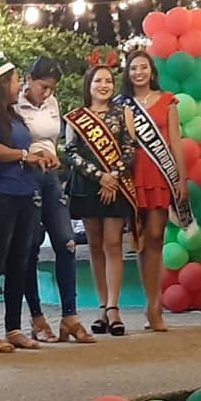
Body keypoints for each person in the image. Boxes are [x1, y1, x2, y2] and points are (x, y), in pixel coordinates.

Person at [0, 53, 51, 352]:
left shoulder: (12, 116)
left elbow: (23, 149)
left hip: (23, 195)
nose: (20, 86)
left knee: (20, 262)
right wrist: (24, 156)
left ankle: (14, 328)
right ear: (2, 83)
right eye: (16, 80)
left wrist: (41, 155)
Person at [15, 57, 88, 343]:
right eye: (42, 87)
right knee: (30, 246)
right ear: (28, 79)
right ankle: (36, 316)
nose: (47, 93)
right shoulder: (14, 103)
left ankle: (70, 316)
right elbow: (13, 141)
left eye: (51, 88)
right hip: (25, 175)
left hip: (50, 177)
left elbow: (51, 138)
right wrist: (35, 155)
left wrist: (52, 155)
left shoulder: (52, 102)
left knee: (66, 241)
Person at [116, 50, 189, 332]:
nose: (139, 72)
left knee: (156, 236)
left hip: (159, 173)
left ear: (152, 71)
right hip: (133, 174)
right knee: (140, 237)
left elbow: (175, 142)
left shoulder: (168, 101)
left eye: (143, 67)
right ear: (128, 73)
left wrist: (181, 179)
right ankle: (150, 302)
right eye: (133, 68)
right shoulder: (121, 104)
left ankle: (155, 305)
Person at [64, 65, 136, 338]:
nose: (104, 85)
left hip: (115, 186)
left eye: (108, 80)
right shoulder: (76, 117)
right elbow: (71, 153)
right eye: (98, 81)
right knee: (94, 244)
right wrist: (99, 176)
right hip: (87, 186)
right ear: (89, 85)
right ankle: (102, 306)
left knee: (113, 243)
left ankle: (115, 307)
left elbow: (129, 150)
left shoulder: (123, 113)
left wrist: (113, 177)